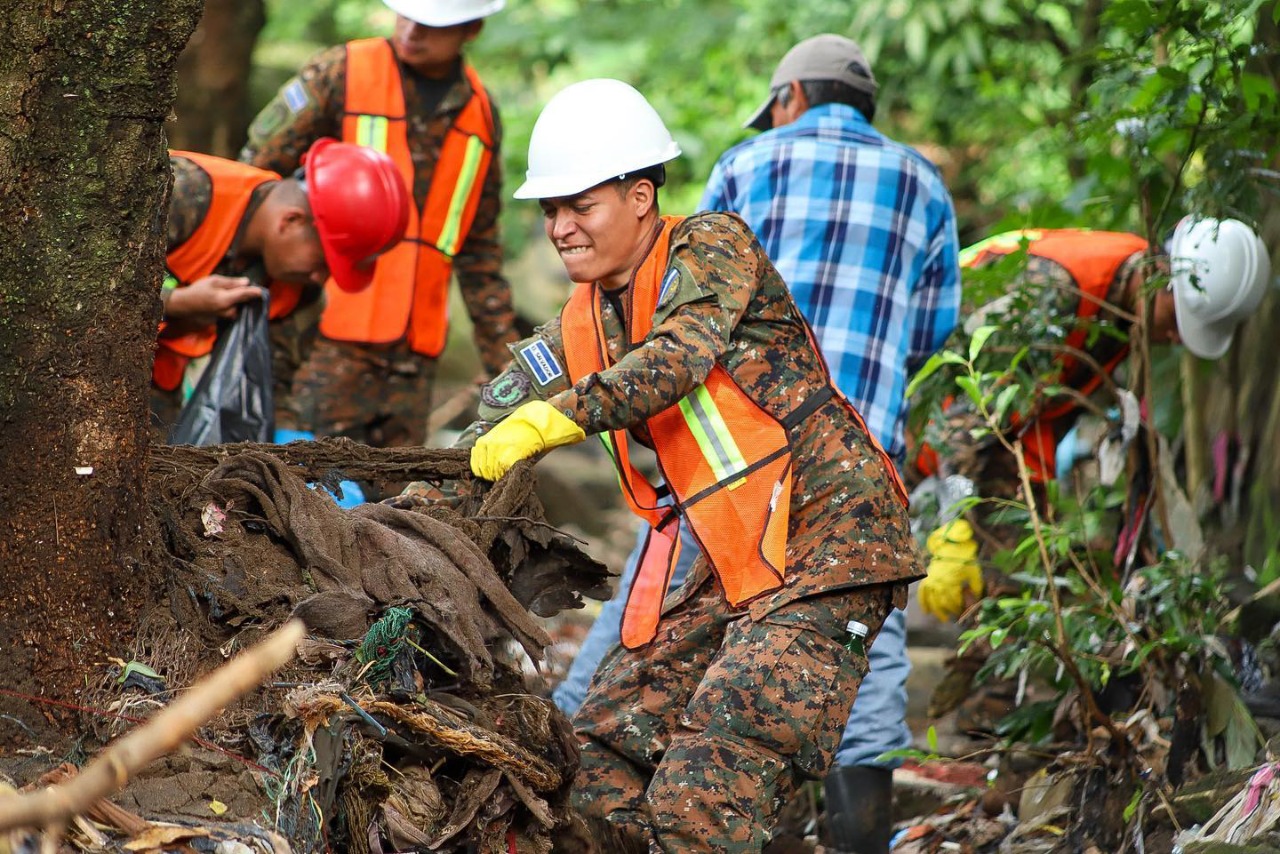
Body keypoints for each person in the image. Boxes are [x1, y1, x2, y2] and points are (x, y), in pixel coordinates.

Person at [462, 77, 921, 852]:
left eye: (582, 206)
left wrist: (559, 419)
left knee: (712, 778)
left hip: (834, 539)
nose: (562, 228)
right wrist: (441, 477)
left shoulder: (710, 246)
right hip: (736, 557)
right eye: (551, 211)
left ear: (641, 197)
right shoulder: (584, 321)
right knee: (604, 743)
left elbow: (677, 358)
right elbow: (496, 408)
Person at [913, 221, 1271, 719]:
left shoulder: (1125, 300)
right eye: (1176, 319)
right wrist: (951, 518)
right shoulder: (1056, 290)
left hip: (1004, 443)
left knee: (1014, 563)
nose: (1173, 337)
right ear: (1163, 276)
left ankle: (988, 710)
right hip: (919, 398)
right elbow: (965, 414)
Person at [240, 0, 518, 453]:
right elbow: (255, 180)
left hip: (413, 361)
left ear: (472, 28)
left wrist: (505, 367)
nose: (410, 30)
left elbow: (480, 250)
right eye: (404, 14)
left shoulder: (482, 117)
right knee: (302, 486)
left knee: (391, 504)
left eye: (430, 24)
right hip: (321, 342)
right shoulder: (341, 72)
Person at [155, 139, 409, 435]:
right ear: (291, 221)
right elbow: (90, 285)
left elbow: (271, 387)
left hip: (154, 390)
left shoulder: (299, 293)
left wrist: (293, 446)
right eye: (323, 262)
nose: (319, 278)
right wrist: (175, 303)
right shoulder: (181, 191)